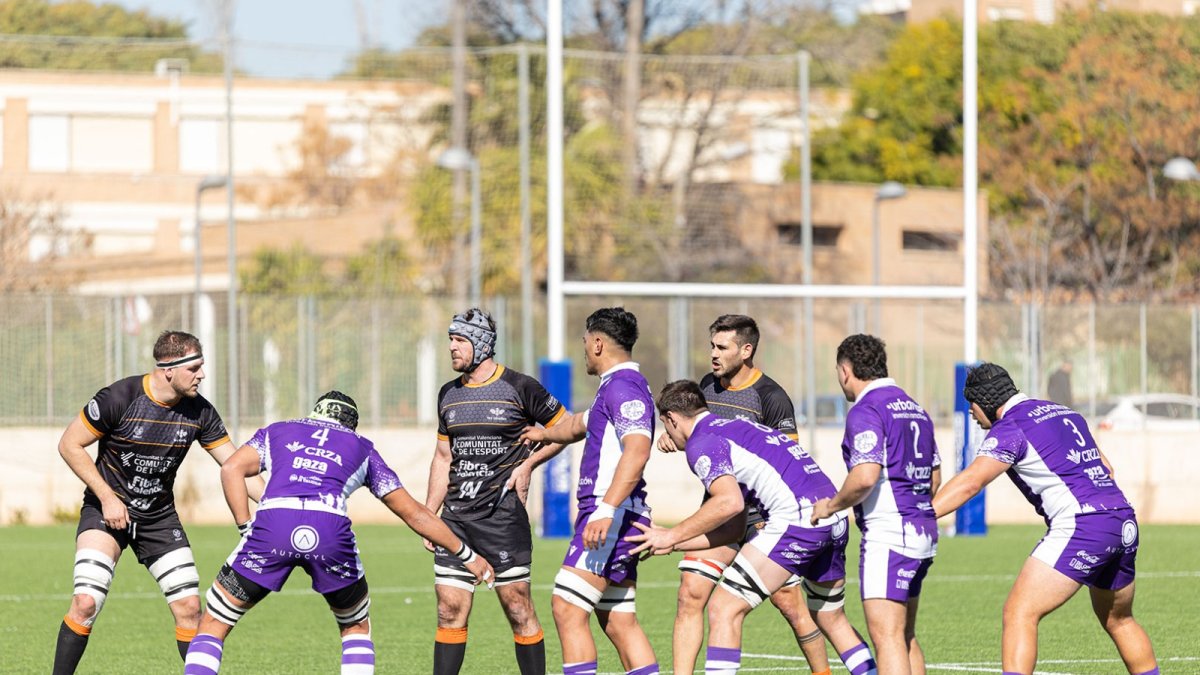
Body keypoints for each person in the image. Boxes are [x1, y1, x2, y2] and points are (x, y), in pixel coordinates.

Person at [183, 391, 494, 675]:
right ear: (351, 425)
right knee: (355, 627)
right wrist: (467, 555)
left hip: (273, 526)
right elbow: (414, 513)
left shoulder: (277, 431)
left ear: (315, 413)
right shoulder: (362, 448)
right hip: (329, 532)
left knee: (214, 622)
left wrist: (246, 527)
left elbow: (231, 468)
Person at [53, 330, 263, 675]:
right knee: (86, 602)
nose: (201, 375)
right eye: (194, 368)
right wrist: (107, 497)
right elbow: (69, 445)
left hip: (158, 518)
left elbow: (235, 465)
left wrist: (276, 501)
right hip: (106, 511)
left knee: (190, 608)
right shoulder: (120, 397)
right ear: (168, 370)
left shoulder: (200, 412)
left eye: (201, 366)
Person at [633, 380, 878, 675]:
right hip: (832, 517)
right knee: (831, 618)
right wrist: (671, 542)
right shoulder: (738, 429)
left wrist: (671, 533)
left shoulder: (702, 442)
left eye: (665, 425)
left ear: (671, 419)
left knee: (724, 608)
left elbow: (728, 502)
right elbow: (733, 530)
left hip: (798, 520)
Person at [932, 363, 1158, 675]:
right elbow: (1106, 468)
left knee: (1019, 612)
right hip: (1122, 519)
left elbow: (972, 481)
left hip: (1084, 525)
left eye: (972, 404)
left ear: (985, 401)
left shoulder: (1010, 426)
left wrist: (921, 514)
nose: (971, 412)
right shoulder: (1064, 413)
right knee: (1119, 620)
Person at [657, 314, 840, 675]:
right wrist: (674, 437)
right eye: (712, 346)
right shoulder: (705, 387)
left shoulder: (771, 397)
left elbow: (787, 459)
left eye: (722, 347)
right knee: (690, 593)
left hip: (766, 518)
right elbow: (698, 433)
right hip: (722, 512)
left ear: (746, 350)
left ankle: (823, 673)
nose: (714, 354)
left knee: (791, 605)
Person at [424, 308, 570, 675]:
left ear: (482, 344)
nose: (452, 347)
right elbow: (443, 457)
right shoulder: (448, 394)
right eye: (450, 340)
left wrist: (528, 464)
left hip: (503, 518)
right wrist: (428, 515)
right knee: (448, 610)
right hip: (455, 520)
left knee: (518, 608)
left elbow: (566, 428)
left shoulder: (520, 387)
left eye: (460, 340)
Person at [520, 307, 660, 675]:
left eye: (585, 341)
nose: (583, 348)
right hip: (614, 512)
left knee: (567, 607)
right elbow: (576, 426)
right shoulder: (612, 388)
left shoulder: (624, 388)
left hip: (611, 513)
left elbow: (638, 450)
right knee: (618, 620)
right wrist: (543, 434)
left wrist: (606, 510)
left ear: (598, 343)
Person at [811, 334, 940, 675]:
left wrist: (830, 506)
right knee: (904, 635)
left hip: (889, 536)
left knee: (887, 638)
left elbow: (865, 477)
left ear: (845, 370)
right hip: (923, 531)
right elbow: (934, 478)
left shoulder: (866, 410)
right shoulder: (916, 408)